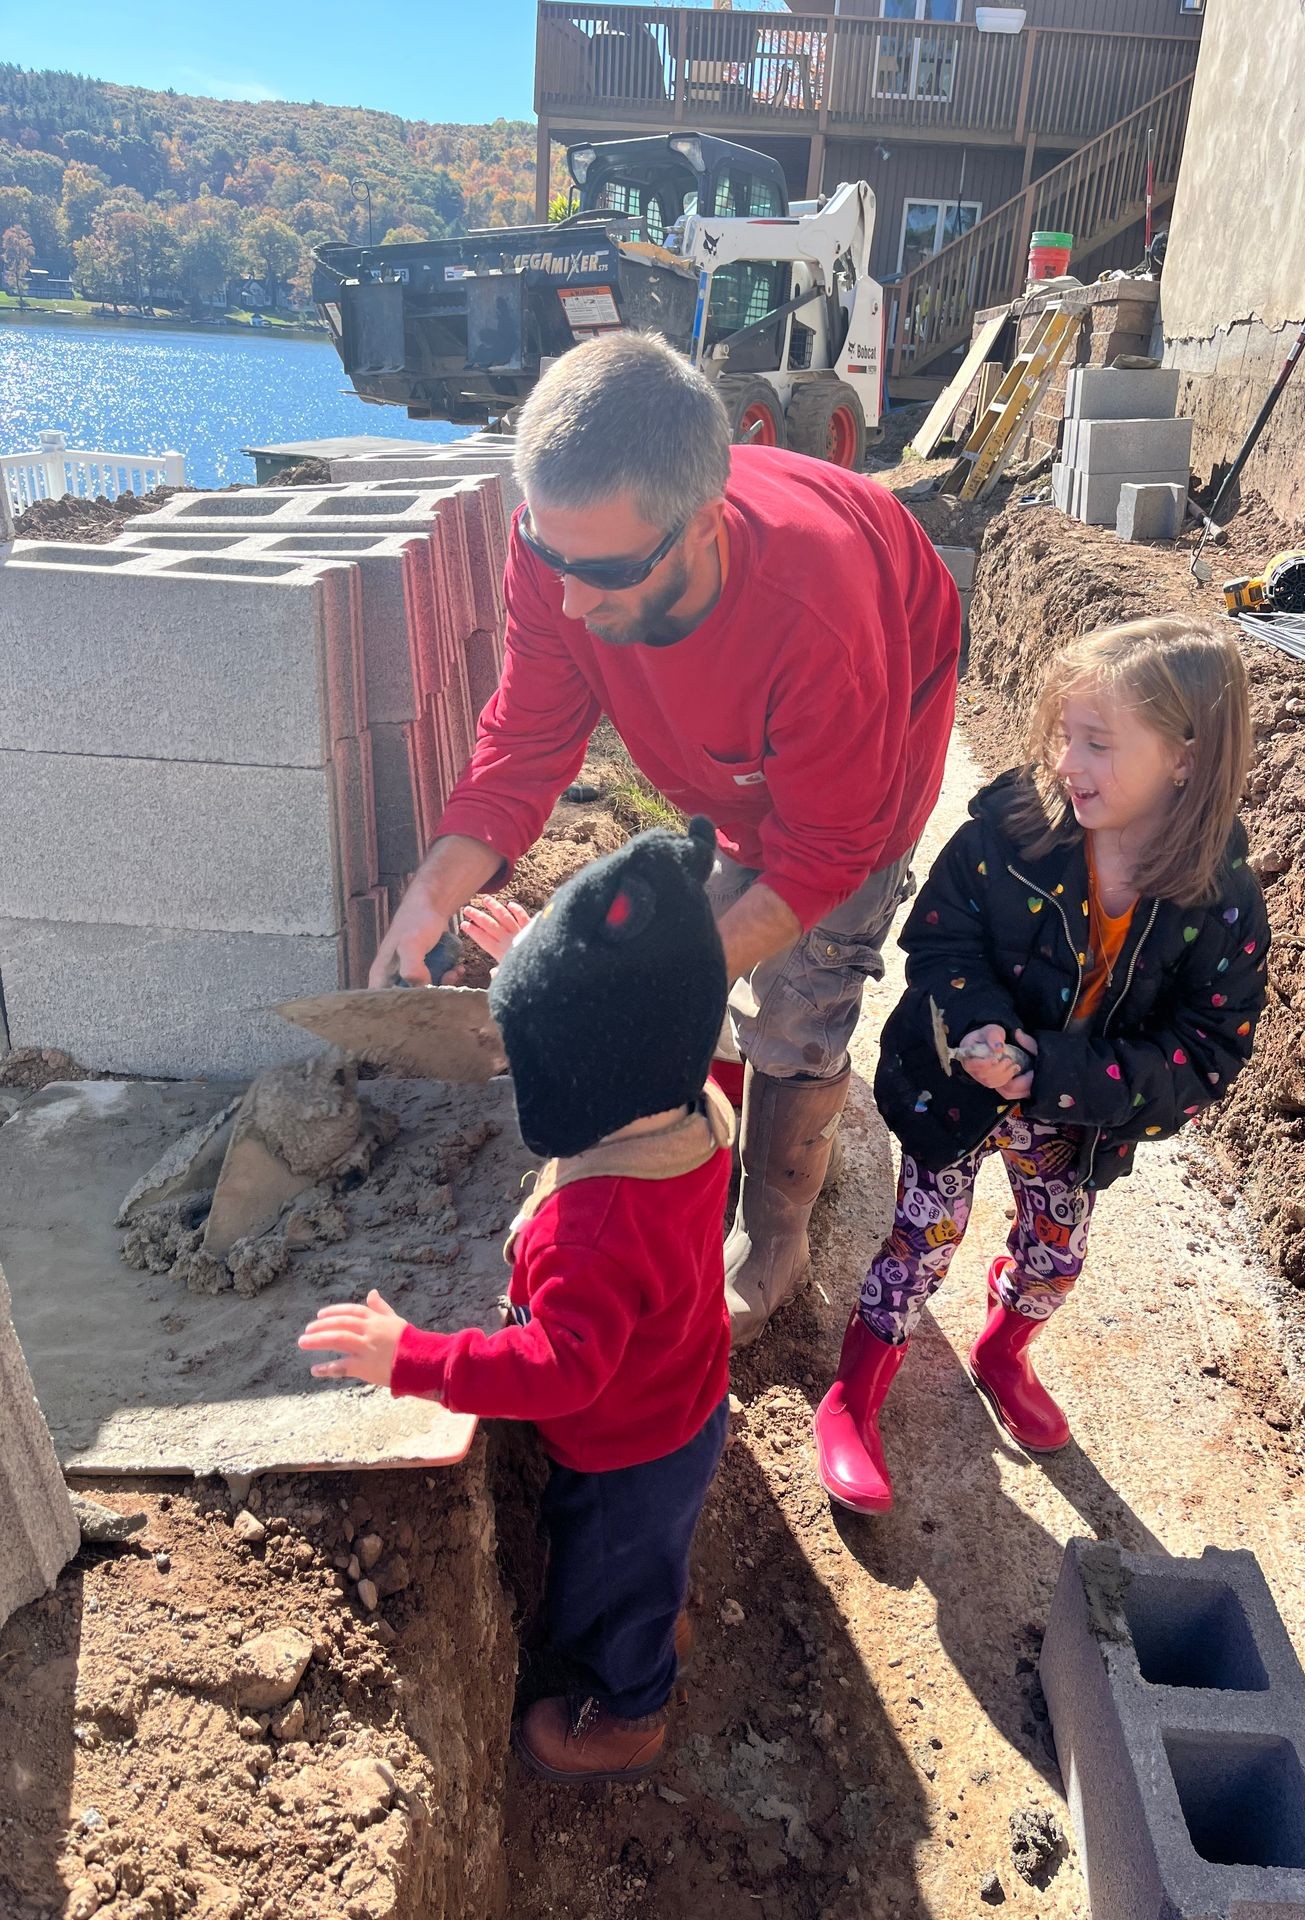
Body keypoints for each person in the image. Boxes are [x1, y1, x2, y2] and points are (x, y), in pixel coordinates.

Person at [367, 330, 961, 1349]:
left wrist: (658, 981)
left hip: (870, 742)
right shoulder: (567, 547)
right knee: (713, 951)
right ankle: (701, 1141)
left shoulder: (816, 617)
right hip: (739, 751)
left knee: (804, 990)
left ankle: (775, 1235)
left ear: (702, 527)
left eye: (601, 572)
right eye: (547, 555)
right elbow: (524, 739)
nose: (567, 600)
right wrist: (432, 892)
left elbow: (823, 850)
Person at [300, 819, 733, 1783]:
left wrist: (410, 1357)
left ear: (582, 1076)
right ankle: (660, 1613)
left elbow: (560, 1369)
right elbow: (633, 1006)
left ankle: (630, 1708)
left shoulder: (597, 1226)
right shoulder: (693, 1102)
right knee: (648, 1556)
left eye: (525, 1051)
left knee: (605, 1573)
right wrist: (535, 955)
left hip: (627, 1444)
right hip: (686, 1404)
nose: (516, 1067)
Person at [813, 617, 1272, 1512]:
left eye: (1098, 743)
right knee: (924, 1237)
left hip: (1077, 1114)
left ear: (1186, 758)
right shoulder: (1013, 827)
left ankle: (1000, 1352)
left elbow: (1211, 1051)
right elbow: (943, 939)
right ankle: (853, 1397)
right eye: (1065, 734)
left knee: (1057, 1258)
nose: (1069, 762)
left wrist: (1056, 1075)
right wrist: (981, 1030)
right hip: (959, 1088)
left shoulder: (1220, 900)